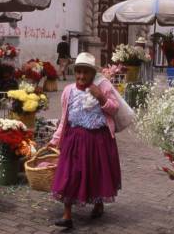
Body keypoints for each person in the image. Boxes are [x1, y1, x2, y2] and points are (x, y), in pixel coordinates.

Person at [49, 52, 121, 229]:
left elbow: (115, 109)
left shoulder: (103, 86)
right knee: (69, 174)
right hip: (74, 139)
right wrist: (55, 139)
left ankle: (98, 203)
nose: (81, 76)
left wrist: (101, 97)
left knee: (97, 173)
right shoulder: (68, 91)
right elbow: (64, 117)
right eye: (78, 72)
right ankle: (67, 215)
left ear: (93, 73)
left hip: (98, 140)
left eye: (85, 72)